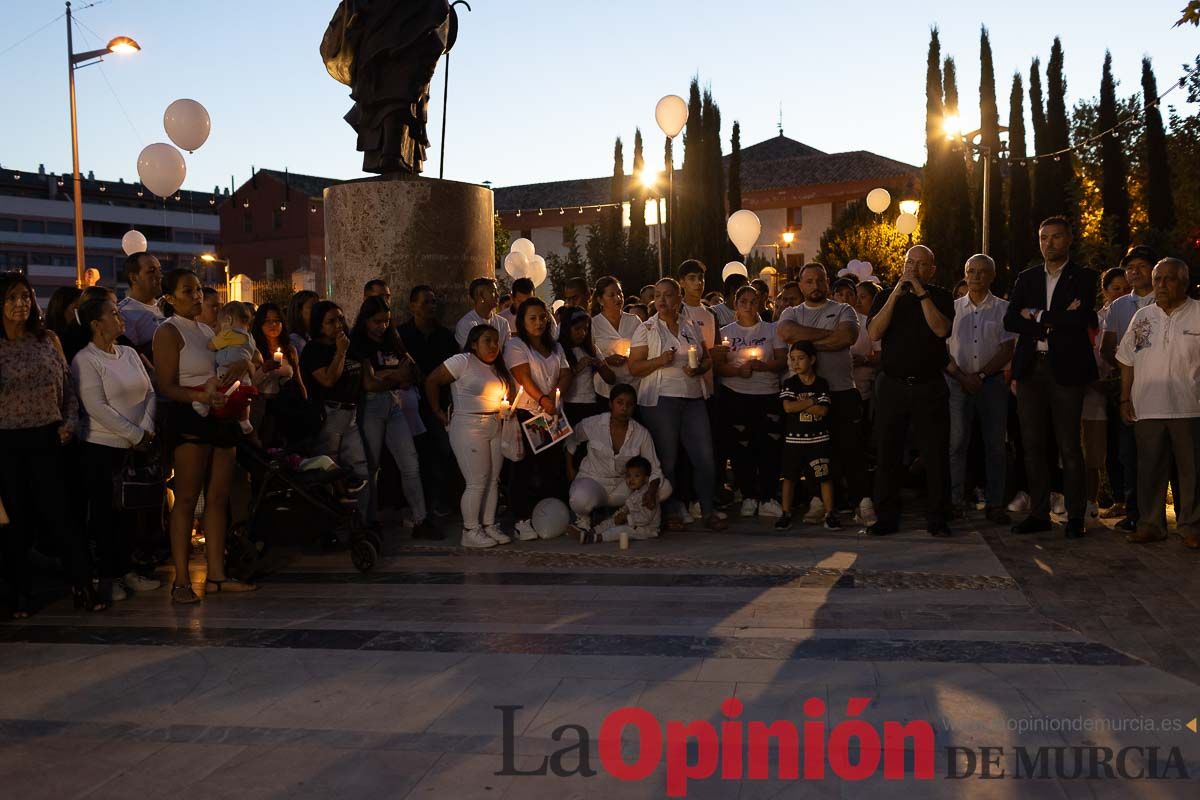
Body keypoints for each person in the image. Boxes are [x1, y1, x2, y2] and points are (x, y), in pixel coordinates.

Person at [152, 269, 256, 604]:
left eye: (198, 290)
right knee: (186, 499)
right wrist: (199, 397)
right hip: (191, 415)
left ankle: (216, 575)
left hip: (219, 411)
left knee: (218, 498)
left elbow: (223, 363)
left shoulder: (206, 329)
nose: (197, 297)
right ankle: (181, 579)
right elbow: (165, 385)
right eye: (187, 291)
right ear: (169, 298)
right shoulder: (169, 331)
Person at [0, 272, 98, 617]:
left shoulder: (47, 340)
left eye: (25, 297)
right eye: (11, 298)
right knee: (17, 522)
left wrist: (69, 423)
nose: (20, 304)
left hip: (50, 437)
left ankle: (84, 586)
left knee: (64, 516)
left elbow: (67, 387)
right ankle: (19, 595)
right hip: (8, 443)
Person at [1003, 216, 1099, 539]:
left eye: (1056, 237)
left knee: (1069, 445)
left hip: (1066, 370)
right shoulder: (1027, 278)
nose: (1049, 244)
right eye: (1044, 238)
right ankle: (1039, 513)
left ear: (1069, 239)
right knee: (1031, 445)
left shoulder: (1084, 277)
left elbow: (1082, 318)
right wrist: (1052, 321)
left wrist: (1038, 315)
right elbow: (1010, 319)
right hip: (1031, 369)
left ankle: (1075, 516)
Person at [70, 296, 162, 603]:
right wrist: (134, 433)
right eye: (112, 313)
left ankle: (130, 570)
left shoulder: (128, 352)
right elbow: (96, 407)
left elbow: (149, 389)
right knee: (106, 516)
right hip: (102, 448)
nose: (119, 317)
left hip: (137, 445)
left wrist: (146, 428)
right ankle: (109, 575)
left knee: (131, 514)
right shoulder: (85, 359)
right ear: (97, 325)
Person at [866, 245, 956, 537]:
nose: (913, 269)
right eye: (909, 263)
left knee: (935, 454)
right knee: (888, 453)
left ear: (931, 269)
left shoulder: (940, 296)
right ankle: (886, 516)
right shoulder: (885, 294)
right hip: (892, 385)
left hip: (928, 385)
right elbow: (874, 333)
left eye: (921, 265)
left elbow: (941, 329)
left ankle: (938, 517)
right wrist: (895, 294)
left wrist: (920, 292)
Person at [777, 262, 875, 526]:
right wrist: (830, 336)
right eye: (809, 281)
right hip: (805, 396)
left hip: (842, 392)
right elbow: (786, 332)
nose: (815, 286)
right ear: (800, 284)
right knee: (813, 451)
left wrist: (807, 343)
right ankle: (818, 500)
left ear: (827, 282)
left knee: (851, 450)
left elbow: (848, 338)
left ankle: (863, 502)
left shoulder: (844, 309)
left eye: (820, 281)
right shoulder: (791, 312)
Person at [1116, 258, 1200, 548]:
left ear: (1184, 282)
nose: (1161, 285)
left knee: (1192, 472)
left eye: (1169, 279)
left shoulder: (1198, 313)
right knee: (1149, 470)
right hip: (1147, 406)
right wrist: (1125, 397)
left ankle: (1191, 527)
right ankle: (1150, 525)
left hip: (1189, 406)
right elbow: (1127, 360)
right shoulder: (1142, 317)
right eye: (1157, 279)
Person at [628, 278, 723, 530]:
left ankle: (708, 510)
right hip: (661, 400)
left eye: (668, 295)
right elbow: (634, 366)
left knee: (704, 457)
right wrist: (659, 361)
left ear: (679, 299)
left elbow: (706, 358)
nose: (661, 300)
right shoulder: (646, 329)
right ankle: (669, 512)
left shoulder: (690, 325)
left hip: (692, 398)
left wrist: (699, 368)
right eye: (657, 295)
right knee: (666, 459)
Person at [942, 255, 1017, 523]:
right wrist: (962, 377)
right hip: (957, 383)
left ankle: (996, 503)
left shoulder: (1004, 309)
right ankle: (954, 501)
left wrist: (982, 375)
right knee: (957, 443)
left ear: (992, 276)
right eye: (971, 271)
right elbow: (944, 349)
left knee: (995, 444)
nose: (975, 276)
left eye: (982, 272)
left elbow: (1008, 347)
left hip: (993, 383)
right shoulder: (951, 309)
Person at [425, 325, 515, 548]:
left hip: (495, 423)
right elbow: (432, 380)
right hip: (469, 425)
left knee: (493, 479)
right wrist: (436, 410)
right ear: (474, 343)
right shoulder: (462, 361)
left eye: (496, 341)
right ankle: (470, 530)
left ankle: (488, 524)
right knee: (477, 481)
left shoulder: (497, 368)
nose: (494, 345)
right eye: (488, 341)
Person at [350, 294, 431, 536]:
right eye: (376, 321)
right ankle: (367, 520)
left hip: (394, 405)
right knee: (371, 466)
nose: (382, 326)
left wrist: (388, 375)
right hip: (372, 406)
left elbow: (413, 371)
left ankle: (421, 518)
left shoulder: (392, 340)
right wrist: (395, 375)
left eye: (386, 321)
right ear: (365, 321)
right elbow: (370, 383)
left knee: (410, 462)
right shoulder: (360, 345)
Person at [714, 285, 787, 518]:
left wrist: (763, 366)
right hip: (736, 394)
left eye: (753, 301)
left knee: (768, 446)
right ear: (736, 304)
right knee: (741, 447)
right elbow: (719, 366)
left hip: (766, 393)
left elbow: (783, 361)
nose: (748, 305)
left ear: (761, 303)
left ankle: (768, 496)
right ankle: (748, 495)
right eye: (743, 301)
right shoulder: (726, 331)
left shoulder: (771, 329)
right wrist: (738, 372)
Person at [1100, 245, 1159, 532]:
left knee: (1164, 453)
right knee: (1129, 452)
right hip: (1128, 388)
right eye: (1129, 267)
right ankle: (1134, 511)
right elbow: (1107, 347)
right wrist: (1128, 367)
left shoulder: (1166, 300)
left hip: (1163, 387)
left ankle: (1178, 514)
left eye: (1141, 266)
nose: (1134, 271)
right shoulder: (1119, 306)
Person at [503, 297, 572, 539]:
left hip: (551, 413)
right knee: (525, 467)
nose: (539, 322)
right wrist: (543, 400)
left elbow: (565, 372)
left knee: (551, 465)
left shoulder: (555, 346)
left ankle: (551, 513)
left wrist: (555, 396)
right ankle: (522, 517)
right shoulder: (516, 345)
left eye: (542, 317)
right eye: (532, 318)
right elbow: (523, 377)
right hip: (528, 413)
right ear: (522, 321)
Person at [300, 300, 371, 521]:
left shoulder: (349, 345)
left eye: (340, 318)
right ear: (320, 326)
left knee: (360, 469)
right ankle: (330, 522)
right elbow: (329, 380)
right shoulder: (315, 350)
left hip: (351, 414)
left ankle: (360, 520)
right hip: (330, 414)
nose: (338, 325)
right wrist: (340, 353)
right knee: (328, 469)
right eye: (331, 322)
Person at [566, 383, 670, 532]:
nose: (624, 408)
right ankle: (585, 517)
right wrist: (569, 468)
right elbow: (571, 441)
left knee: (665, 488)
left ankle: (620, 517)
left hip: (623, 486)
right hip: (593, 481)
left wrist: (651, 492)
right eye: (619, 402)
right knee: (579, 499)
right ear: (610, 403)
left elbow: (654, 468)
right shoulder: (592, 423)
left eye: (629, 404)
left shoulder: (641, 433)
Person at [398, 284, 460, 518]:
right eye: (426, 302)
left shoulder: (445, 336)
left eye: (434, 302)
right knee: (415, 455)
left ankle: (440, 500)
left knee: (442, 451)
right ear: (413, 306)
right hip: (410, 404)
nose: (431, 306)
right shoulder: (401, 335)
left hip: (438, 404)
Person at [775, 341, 839, 531]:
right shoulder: (790, 383)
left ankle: (829, 513)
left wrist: (802, 403)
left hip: (818, 439)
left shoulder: (822, 383)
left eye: (801, 358)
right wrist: (811, 400)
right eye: (792, 359)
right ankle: (785, 512)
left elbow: (822, 410)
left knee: (824, 476)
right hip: (794, 439)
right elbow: (788, 407)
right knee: (789, 477)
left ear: (812, 359)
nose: (796, 363)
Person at [196, 301, 261, 435]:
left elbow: (211, 346)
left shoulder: (228, 334)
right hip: (245, 377)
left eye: (220, 324)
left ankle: (204, 403)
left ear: (228, 320)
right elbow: (256, 357)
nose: (220, 327)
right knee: (244, 399)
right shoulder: (250, 337)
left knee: (211, 382)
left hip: (227, 371)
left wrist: (216, 335)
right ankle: (245, 421)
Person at [1096, 267, 1130, 520]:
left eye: (1125, 288)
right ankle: (1118, 496)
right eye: (1116, 288)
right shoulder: (1098, 318)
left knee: (1128, 444)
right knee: (1111, 444)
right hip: (1105, 386)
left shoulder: (1137, 311)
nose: (1122, 293)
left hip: (1131, 384)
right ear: (1105, 291)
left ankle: (1133, 498)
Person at [248, 302, 305, 448]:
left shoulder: (290, 350)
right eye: (268, 321)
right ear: (260, 323)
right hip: (261, 409)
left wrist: (304, 399)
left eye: (277, 320)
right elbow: (249, 384)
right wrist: (264, 369)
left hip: (285, 407)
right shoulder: (254, 350)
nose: (273, 324)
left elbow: (298, 379)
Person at [579, 456, 662, 544]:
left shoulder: (648, 496)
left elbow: (645, 518)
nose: (631, 479)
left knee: (621, 530)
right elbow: (627, 508)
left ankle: (597, 538)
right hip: (633, 524)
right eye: (629, 475)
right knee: (611, 521)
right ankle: (591, 532)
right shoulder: (634, 493)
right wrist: (617, 516)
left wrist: (626, 518)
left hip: (646, 530)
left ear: (646, 479)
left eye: (637, 476)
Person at [558, 306, 615, 424]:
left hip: (590, 402)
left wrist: (600, 364)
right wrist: (578, 367)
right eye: (577, 329)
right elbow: (556, 382)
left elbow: (611, 378)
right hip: (569, 404)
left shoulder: (591, 350)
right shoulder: (559, 350)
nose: (582, 333)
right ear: (567, 328)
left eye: (586, 329)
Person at [590, 275, 642, 401]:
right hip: (605, 389)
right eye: (611, 295)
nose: (618, 298)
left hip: (634, 384)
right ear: (601, 300)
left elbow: (644, 348)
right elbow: (589, 357)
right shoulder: (593, 324)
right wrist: (607, 360)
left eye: (620, 293)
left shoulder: (634, 321)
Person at [117, 252, 164, 357]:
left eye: (159, 270)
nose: (159, 276)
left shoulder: (166, 305)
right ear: (134, 278)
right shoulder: (124, 313)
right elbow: (132, 357)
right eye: (151, 271)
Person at [850, 280, 881, 411]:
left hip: (866, 387)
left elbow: (881, 355)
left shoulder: (874, 324)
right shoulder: (849, 320)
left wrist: (864, 359)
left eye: (862, 297)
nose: (857, 301)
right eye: (855, 297)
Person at [455, 277, 511, 348]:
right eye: (493, 292)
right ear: (480, 296)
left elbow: (508, 352)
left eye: (497, 291)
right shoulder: (465, 324)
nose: (497, 295)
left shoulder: (503, 323)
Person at [286, 290, 319, 356]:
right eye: (312, 307)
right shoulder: (295, 340)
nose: (317, 310)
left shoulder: (310, 335)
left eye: (318, 307)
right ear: (299, 311)